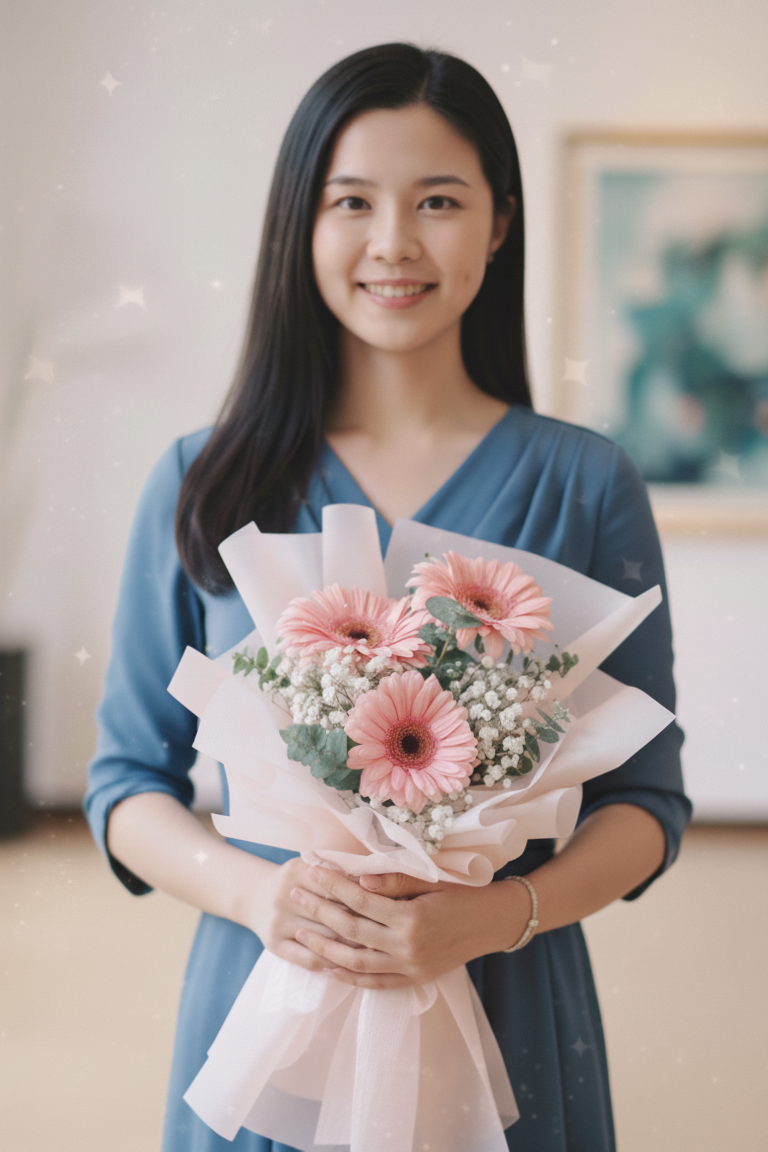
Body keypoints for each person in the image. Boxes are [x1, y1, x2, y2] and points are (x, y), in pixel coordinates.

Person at [84, 43, 691, 1152]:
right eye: (350, 201)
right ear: (297, 226)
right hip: (269, 993)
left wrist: (498, 915)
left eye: (439, 201)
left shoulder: (588, 480)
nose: (394, 243)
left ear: (499, 223)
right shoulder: (200, 479)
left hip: (512, 999)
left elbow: (646, 804)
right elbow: (127, 782)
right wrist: (257, 898)